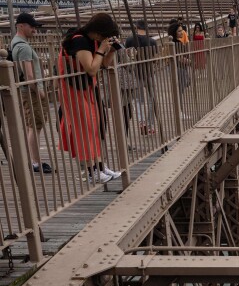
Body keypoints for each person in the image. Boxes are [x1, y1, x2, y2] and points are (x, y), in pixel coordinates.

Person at [57, 12, 122, 184]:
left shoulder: (91, 40)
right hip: (74, 89)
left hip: (86, 88)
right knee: (83, 127)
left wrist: (112, 51)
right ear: (98, 32)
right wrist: (101, 49)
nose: (105, 39)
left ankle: (100, 166)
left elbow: (104, 64)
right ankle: (91, 170)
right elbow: (91, 69)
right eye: (105, 36)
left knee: (95, 125)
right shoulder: (80, 40)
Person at [10, 13, 52, 173]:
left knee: (33, 125)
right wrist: (39, 90)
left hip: (27, 91)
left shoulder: (17, 43)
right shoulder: (23, 47)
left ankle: (34, 160)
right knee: (35, 125)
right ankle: (35, 162)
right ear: (21, 25)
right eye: (31, 26)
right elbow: (28, 74)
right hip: (31, 92)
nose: (34, 29)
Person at [125, 19, 158, 136]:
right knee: (152, 98)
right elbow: (154, 58)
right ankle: (150, 125)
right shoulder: (152, 41)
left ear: (136, 27)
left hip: (134, 73)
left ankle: (141, 121)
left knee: (137, 100)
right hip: (149, 73)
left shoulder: (129, 40)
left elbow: (126, 55)